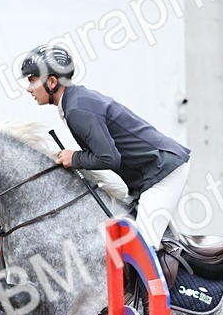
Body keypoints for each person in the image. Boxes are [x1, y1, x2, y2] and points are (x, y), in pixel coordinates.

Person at [20, 44, 191, 250]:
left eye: (32, 81)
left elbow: (109, 158)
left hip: (162, 172)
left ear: (52, 81)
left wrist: (74, 158)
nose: (29, 89)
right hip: (152, 173)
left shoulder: (77, 109)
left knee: (140, 248)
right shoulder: (74, 101)